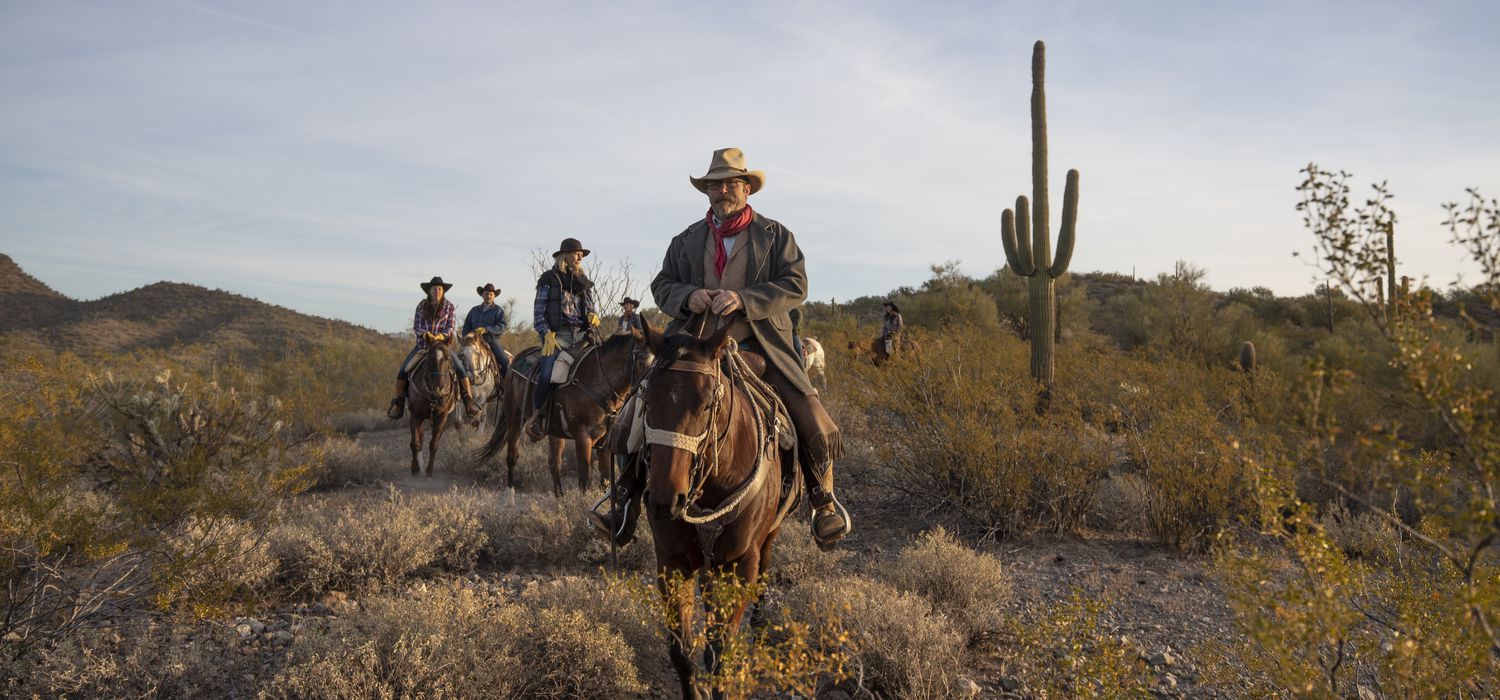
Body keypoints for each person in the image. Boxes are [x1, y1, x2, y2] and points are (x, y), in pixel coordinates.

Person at [590, 147, 851, 549]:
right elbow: (662, 285)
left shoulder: (775, 236)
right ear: (707, 191)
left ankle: (823, 501)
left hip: (761, 343)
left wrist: (744, 299)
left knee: (810, 415)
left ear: (747, 189)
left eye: (731, 183)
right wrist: (689, 295)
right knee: (636, 407)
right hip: (692, 344)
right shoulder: (686, 240)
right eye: (715, 185)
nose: (722, 191)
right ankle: (623, 501)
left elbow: (796, 285)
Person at [524, 238, 601, 440]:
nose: (580, 257)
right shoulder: (549, 279)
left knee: (604, 366)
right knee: (547, 373)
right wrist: (546, 334)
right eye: (577, 253)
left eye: (581, 255)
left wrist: (594, 315)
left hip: (583, 336)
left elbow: (591, 307)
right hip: (559, 336)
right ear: (564, 255)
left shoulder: (583, 281)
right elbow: (538, 312)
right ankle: (537, 416)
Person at [387, 276, 482, 420]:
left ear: (443, 291)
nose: (437, 291)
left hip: (442, 348)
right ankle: (399, 404)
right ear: (429, 291)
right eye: (434, 289)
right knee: (403, 370)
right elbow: (416, 326)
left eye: (439, 289)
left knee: (461, 370)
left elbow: (450, 328)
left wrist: (439, 337)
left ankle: (468, 402)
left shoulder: (449, 307)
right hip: (423, 346)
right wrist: (425, 334)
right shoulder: (421, 306)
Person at [462, 283, 512, 376]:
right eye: (486, 294)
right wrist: (467, 337)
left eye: (491, 294)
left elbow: (502, 326)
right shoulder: (474, 310)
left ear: (494, 296)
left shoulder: (498, 310)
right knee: (459, 360)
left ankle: (504, 385)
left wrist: (486, 329)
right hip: (473, 341)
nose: (488, 296)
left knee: (505, 362)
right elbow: (466, 326)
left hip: (491, 340)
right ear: (482, 295)